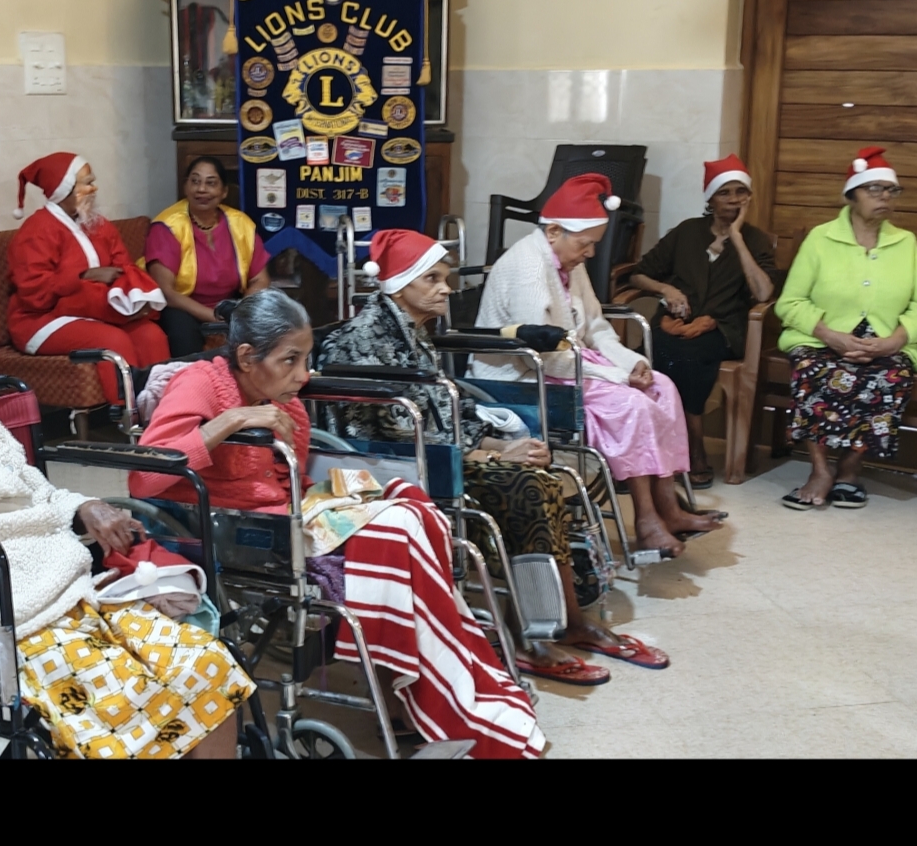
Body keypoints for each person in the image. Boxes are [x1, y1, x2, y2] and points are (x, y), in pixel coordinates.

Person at [130, 289, 546, 758]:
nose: (303, 376)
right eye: (290, 361)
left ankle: (425, 687)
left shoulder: (283, 400)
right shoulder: (201, 385)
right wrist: (232, 420)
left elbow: (295, 481)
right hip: (233, 530)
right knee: (397, 533)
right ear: (247, 356)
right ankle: (419, 696)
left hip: (291, 515)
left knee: (416, 512)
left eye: (305, 359)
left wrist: (338, 502)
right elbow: (145, 476)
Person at [0, 346, 254, 759]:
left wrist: (81, 506)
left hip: (71, 593)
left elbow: (36, 491)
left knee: (203, 663)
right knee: (122, 700)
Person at [317, 229, 669, 678]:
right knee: (526, 486)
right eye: (434, 279)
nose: (447, 288)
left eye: (445, 277)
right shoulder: (368, 340)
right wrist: (492, 457)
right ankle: (532, 637)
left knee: (541, 475)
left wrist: (502, 444)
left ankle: (565, 622)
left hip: (438, 457)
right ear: (401, 284)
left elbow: (447, 409)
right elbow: (403, 432)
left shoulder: (412, 330)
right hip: (392, 470)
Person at [469, 174, 725, 559]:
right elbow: (547, 354)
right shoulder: (527, 267)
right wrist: (618, 378)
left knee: (662, 386)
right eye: (586, 244)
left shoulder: (568, 259)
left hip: (566, 363)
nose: (590, 254)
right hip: (522, 376)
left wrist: (633, 364)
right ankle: (646, 521)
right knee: (630, 404)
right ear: (554, 230)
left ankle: (669, 508)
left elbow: (596, 326)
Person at [776, 146, 917, 510]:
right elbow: (789, 303)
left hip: (887, 342)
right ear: (852, 195)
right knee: (813, 370)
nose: (884, 196)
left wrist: (894, 341)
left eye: (891, 190)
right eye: (874, 189)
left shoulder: (907, 243)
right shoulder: (821, 239)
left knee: (891, 375)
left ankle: (851, 470)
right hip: (821, 338)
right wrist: (830, 336)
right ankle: (820, 471)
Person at [628, 155, 781, 488]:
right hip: (673, 324)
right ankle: (654, 450)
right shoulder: (687, 232)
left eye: (741, 192)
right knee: (653, 352)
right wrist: (665, 288)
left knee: (690, 354)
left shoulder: (755, 240)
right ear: (710, 199)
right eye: (725, 193)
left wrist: (737, 238)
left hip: (724, 331)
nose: (734, 199)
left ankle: (693, 448)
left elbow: (763, 291)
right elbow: (639, 274)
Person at [6, 152, 170, 404]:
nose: (95, 188)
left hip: (99, 310)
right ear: (64, 190)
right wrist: (83, 275)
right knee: (112, 340)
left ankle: (166, 412)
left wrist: (130, 298)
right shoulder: (36, 230)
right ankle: (130, 420)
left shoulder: (99, 224)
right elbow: (34, 294)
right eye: (87, 183)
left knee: (151, 334)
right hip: (40, 320)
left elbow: (122, 266)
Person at [142, 156, 272, 357]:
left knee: (272, 320)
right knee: (181, 330)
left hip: (230, 304)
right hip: (180, 306)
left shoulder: (240, 223)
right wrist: (214, 317)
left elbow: (260, 279)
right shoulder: (167, 226)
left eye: (210, 183)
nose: (201, 189)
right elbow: (166, 293)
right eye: (195, 181)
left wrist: (242, 313)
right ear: (186, 187)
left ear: (223, 192)